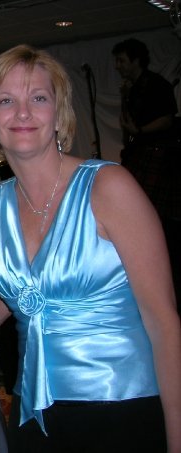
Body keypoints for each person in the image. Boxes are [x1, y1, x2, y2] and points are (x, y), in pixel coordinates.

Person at [0, 44, 181, 452]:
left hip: (120, 409)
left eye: (38, 98)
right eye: (5, 101)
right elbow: (7, 301)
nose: (22, 113)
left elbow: (164, 324)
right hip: (33, 410)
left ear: (59, 113)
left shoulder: (109, 187)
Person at [112, 37, 181, 314]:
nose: (118, 66)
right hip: (139, 150)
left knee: (154, 212)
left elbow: (167, 119)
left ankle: (160, 266)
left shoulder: (157, 85)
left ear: (136, 60)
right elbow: (126, 123)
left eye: (122, 60)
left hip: (159, 153)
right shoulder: (131, 88)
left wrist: (140, 132)